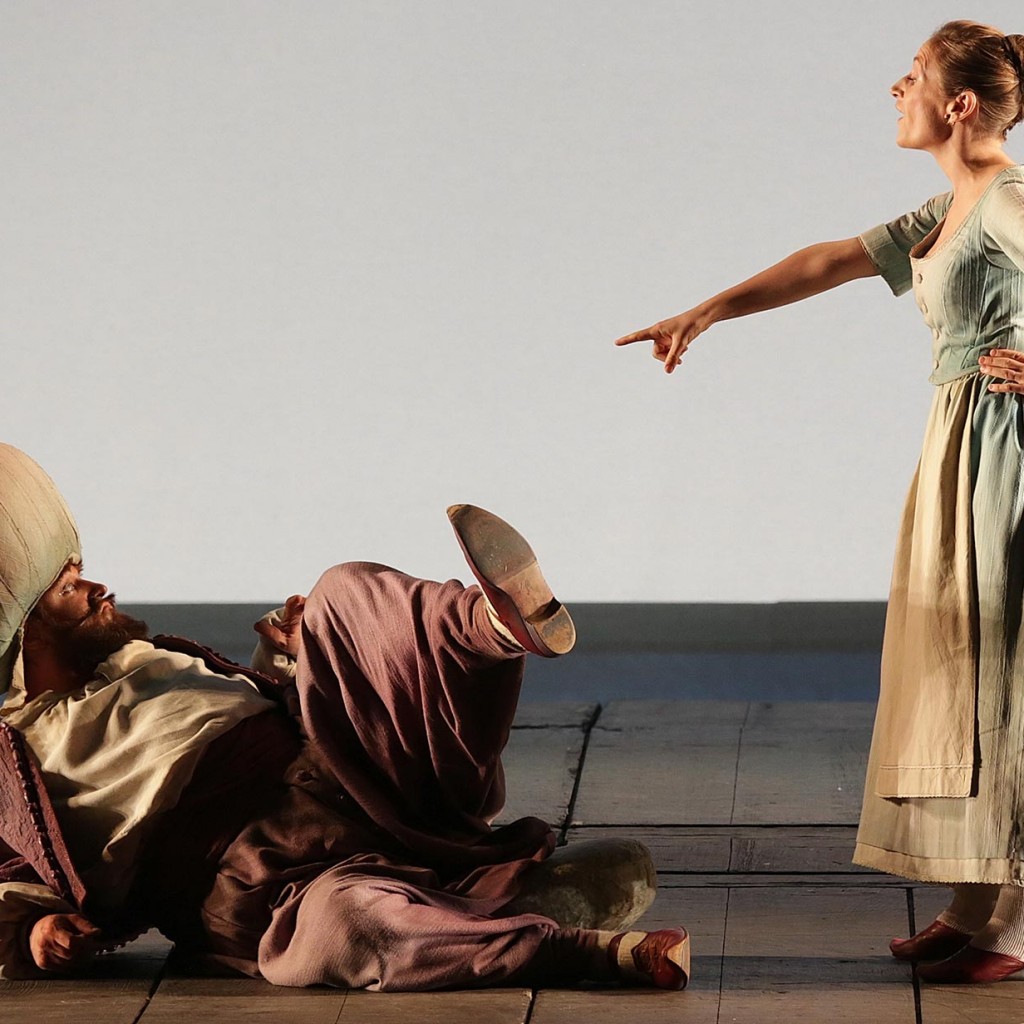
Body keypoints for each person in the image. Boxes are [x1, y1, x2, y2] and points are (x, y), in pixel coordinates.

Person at [616, 19, 1024, 985]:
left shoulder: (1009, 203)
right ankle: (978, 899)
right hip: (959, 449)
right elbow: (829, 261)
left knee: (1005, 669)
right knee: (961, 672)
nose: (897, 87)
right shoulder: (953, 207)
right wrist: (708, 310)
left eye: (914, 75)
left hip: (1007, 456)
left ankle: (1015, 919)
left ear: (960, 104)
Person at [0, 442, 690, 991]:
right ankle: (571, 947)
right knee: (349, 925)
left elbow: (240, 710)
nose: (100, 587)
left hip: (351, 777)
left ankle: (495, 626)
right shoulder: (19, 754)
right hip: (269, 884)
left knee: (340, 594)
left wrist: (287, 660)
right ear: (26, 632)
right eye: (69, 587)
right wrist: (31, 933)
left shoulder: (142, 658)